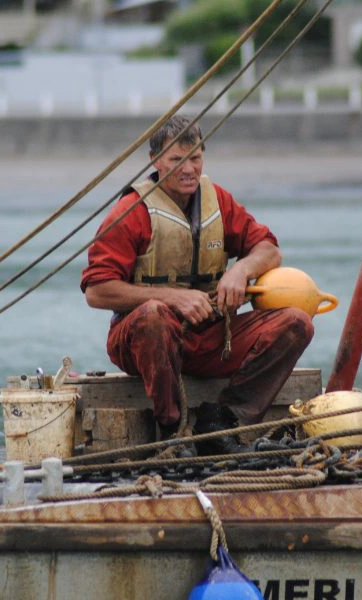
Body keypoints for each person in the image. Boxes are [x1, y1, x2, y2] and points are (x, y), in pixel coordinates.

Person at [80, 115, 314, 455]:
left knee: (296, 323)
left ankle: (223, 419)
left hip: (211, 337)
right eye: (177, 160)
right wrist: (173, 298)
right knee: (155, 314)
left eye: (196, 158)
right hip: (144, 340)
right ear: (156, 161)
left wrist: (241, 270)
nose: (188, 169)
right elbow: (96, 291)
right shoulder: (130, 211)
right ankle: (173, 430)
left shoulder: (217, 200)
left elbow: (269, 250)